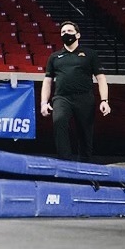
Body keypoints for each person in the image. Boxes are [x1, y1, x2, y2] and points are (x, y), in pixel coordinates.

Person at [40, 21, 111, 161]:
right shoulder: (54, 57)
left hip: (84, 98)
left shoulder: (90, 54)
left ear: (78, 35)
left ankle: (85, 165)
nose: (66, 34)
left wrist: (104, 100)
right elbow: (47, 81)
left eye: (69, 31)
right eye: (63, 32)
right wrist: (43, 102)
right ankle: (64, 162)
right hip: (62, 98)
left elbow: (101, 78)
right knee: (59, 121)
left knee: (85, 133)